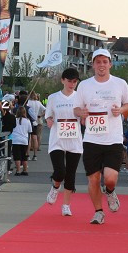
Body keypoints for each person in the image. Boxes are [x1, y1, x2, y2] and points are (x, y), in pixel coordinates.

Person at [73, 48, 128, 225]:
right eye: (98, 62)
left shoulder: (120, 83)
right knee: (93, 178)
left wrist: (120, 110)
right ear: (93, 64)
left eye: (105, 62)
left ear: (110, 64)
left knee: (110, 178)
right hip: (91, 139)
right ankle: (98, 212)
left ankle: (110, 191)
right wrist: (81, 112)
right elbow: (76, 108)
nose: (101, 65)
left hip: (113, 138)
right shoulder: (84, 85)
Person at [44, 68, 83, 216]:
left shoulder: (80, 97)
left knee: (71, 174)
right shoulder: (54, 98)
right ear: (63, 80)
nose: (72, 84)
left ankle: (66, 205)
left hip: (74, 140)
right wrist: (49, 120)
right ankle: (55, 187)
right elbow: (48, 115)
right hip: (57, 139)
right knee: (60, 170)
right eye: (69, 81)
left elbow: (84, 115)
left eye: (74, 82)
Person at [10, 106, 33, 176]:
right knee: (24, 156)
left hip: (16, 140)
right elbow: (30, 131)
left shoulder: (14, 120)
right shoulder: (27, 121)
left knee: (17, 156)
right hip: (24, 140)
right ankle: (25, 170)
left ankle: (18, 170)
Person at [26, 91, 45, 161]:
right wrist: (40, 116)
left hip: (29, 121)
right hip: (35, 121)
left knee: (29, 139)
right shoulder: (38, 103)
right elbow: (45, 109)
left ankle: (28, 155)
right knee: (35, 138)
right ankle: (35, 155)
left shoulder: (28, 102)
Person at [0, 101, 17, 173]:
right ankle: (8, 168)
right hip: (9, 136)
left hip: (1, 136)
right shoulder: (12, 117)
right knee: (8, 153)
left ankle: (1, 168)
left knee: (1, 153)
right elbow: (14, 125)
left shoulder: (1, 117)